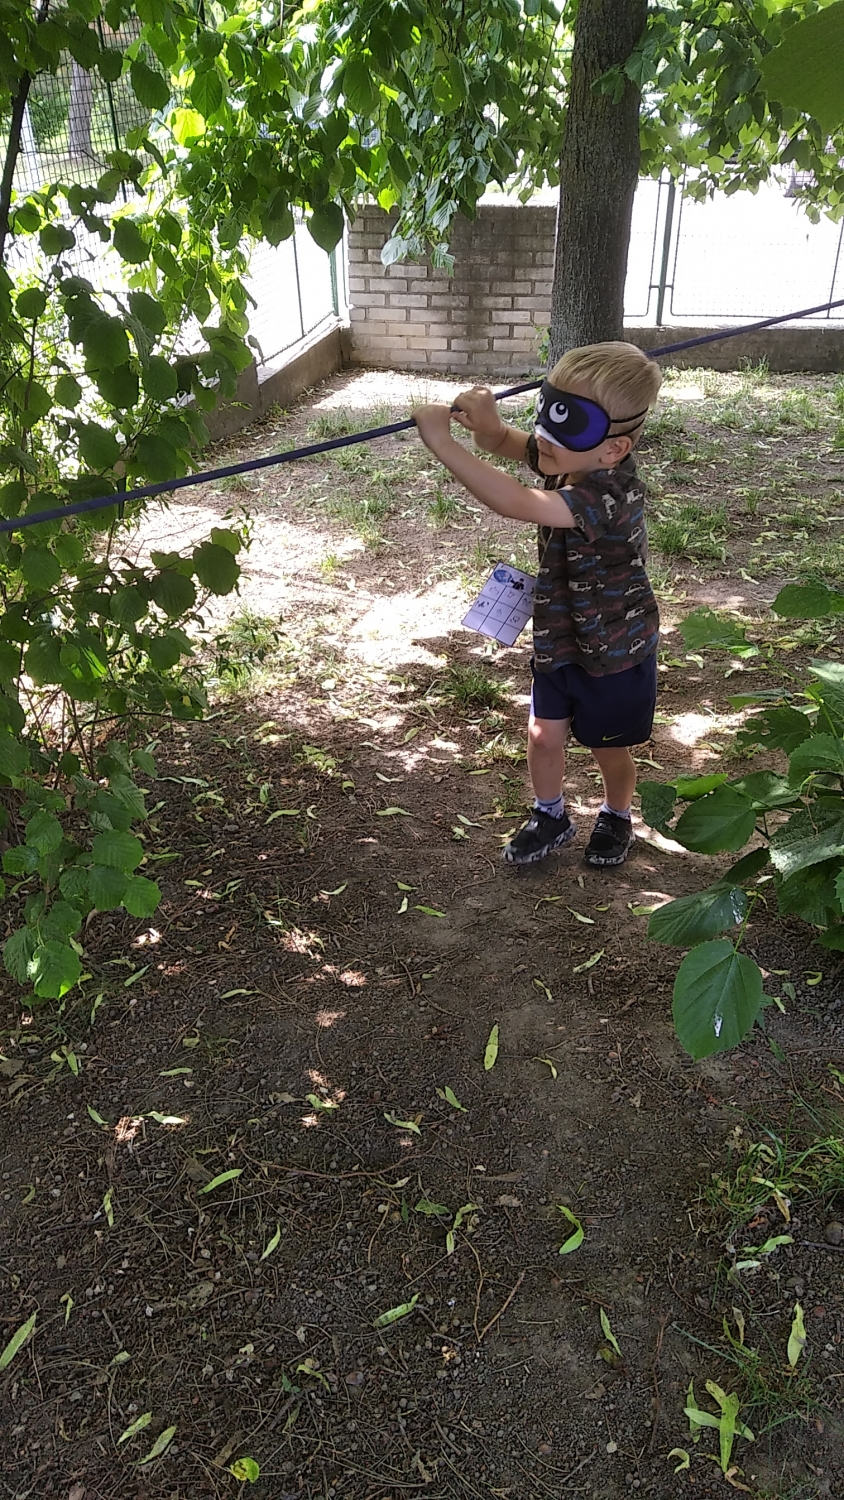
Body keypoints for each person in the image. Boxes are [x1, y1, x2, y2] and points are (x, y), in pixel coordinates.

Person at [412, 341, 663, 869]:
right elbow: (508, 441)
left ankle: (617, 814)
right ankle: (550, 813)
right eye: (547, 411)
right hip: (560, 636)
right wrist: (487, 427)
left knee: (607, 745)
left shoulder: (610, 493)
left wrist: (442, 443)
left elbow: (516, 502)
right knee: (543, 734)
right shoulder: (570, 456)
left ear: (614, 448)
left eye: (567, 423)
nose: (544, 434)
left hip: (614, 650)